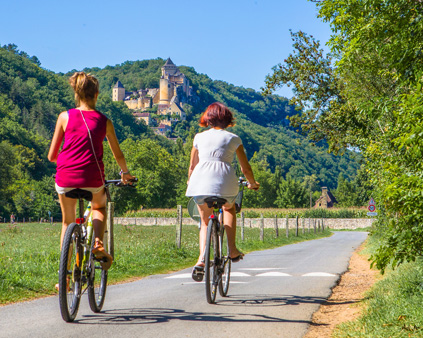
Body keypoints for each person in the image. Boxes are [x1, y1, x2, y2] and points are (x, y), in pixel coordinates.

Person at [48, 72, 135, 280]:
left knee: (67, 223)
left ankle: (64, 279)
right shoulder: (105, 121)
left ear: (76, 93)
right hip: (93, 179)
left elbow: (52, 156)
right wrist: (126, 174)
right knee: (99, 206)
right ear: (97, 94)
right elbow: (118, 154)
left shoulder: (64, 117)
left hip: (65, 178)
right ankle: (98, 242)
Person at [186, 102, 260, 281]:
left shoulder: (198, 137)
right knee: (229, 208)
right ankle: (233, 250)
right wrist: (253, 183)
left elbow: (192, 166)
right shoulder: (234, 139)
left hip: (200, 183)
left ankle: (201, 260)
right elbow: (246, 169)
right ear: (228, 120)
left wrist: (191, 182)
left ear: (208, 119)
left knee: (204, 222)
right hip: (225, 182)